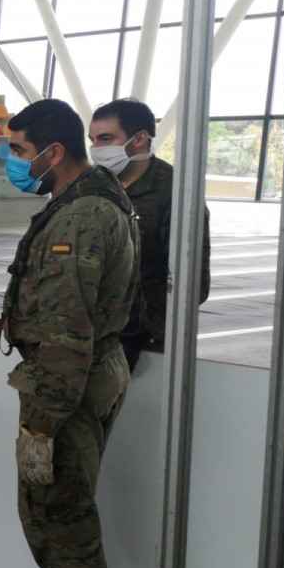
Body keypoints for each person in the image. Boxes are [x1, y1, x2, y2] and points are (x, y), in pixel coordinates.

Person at [0, 99, 139, 568]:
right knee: (59, 501)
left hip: (66, 387)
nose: (13, 162)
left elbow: (64, 328)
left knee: (60, 510)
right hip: (87, 375)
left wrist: (43, 424)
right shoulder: (96, 197)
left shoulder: (80, 219)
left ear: (54, 153)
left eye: (20, 151)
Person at [89, 98, 210, 371]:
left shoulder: (176, 192)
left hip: (147, 341)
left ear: (140, 138)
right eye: (93, 140)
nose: (96, 149)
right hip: (90, 331)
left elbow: (192, 283)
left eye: (106, 139)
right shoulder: (92, 186)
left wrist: (147, 328)